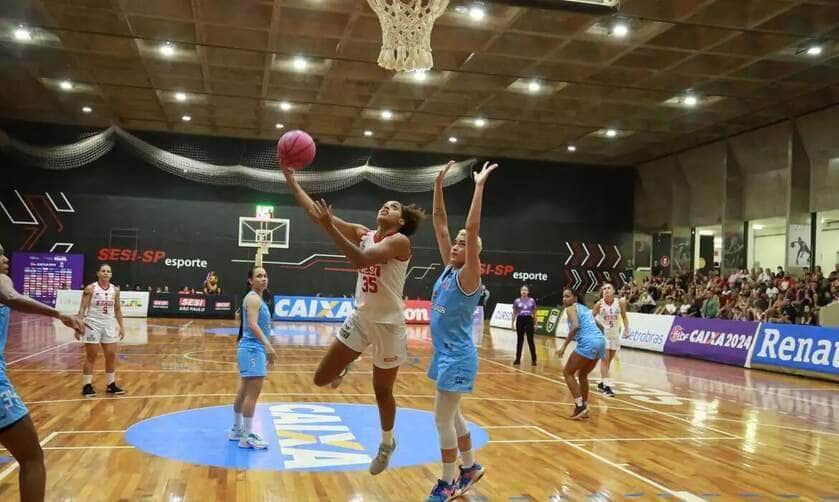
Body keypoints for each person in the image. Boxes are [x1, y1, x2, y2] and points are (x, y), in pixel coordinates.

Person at [283, 167, 425, 475]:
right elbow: (318, 213)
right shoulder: (364, 233)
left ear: (401, 221)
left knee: (382, 391)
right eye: (384, 204)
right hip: (361, 318)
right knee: (321, 379)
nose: (386, 207)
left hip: (389, 325)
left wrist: (328, 227)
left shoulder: (400, 242)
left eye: (393, 207)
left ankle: (386, 444)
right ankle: (347, 364)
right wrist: (291, 181)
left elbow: (361, 259)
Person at [424, 161, 495, 501]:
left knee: (441, 419)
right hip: (444, 354)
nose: (455, 245)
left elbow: (471, 225)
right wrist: (438, 186)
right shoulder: (449, 270)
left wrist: (478, 187)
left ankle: (447, 481)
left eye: (463, 244)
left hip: (458, 357)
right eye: (455, 243)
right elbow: (440, 224)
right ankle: (470, 467)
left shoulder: (469, 277)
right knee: (453, 416)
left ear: (474, 254)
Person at [0, 242, 85, 502]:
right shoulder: (1, 279)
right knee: (31, 457)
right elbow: (11, 297)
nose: (5, 259)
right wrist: (59, 313)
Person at [229, 267, 276, 449]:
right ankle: (247, 436)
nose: (263, 278)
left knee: (243, 391)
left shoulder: (257, 298)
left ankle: (237, 429)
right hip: (253, 350)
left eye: (265, 276)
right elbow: (252, 325)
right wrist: (268, 345)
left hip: (250, 349)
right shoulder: (253, 299)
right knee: (252, 395)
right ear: (250, 280)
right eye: (259, 276)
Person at [556, 289, 606, 419]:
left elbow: (575, 326)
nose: (564, 299)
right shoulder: (585, 309)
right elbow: (601, 327)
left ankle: (579, 406)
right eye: (563, 296)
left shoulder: (570, 308)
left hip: (588, 343)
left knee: (568, 372)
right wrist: (598, 340)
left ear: (575, 298)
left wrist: (564, 346)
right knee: (583, 375)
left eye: (567, 296)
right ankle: (585, 406)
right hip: (600, 341)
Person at [77, 264, 126, 397]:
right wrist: (78, 326)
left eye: (108, 271)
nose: (105, 273)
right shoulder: (90, 288)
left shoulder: (115, 290)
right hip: (93, 324)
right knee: (91, 355)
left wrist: (121, 326)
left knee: (111, 355)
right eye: (103, 271)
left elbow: (117, 309)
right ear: (98, 273)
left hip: (109, 324)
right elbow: (82, 308)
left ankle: (111, 384)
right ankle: (86, 385)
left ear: (111, 274)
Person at [592, 282, 627, 398]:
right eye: (604, 289)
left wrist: (627, 329)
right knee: (605, 360)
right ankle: (606, 387)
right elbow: (590, 318)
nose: (606, 290)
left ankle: (602, 383)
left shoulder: (620, 302)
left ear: (613, 291)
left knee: (609, 361)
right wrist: (596, 328)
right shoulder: (599, 304)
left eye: (609, 288)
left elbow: (624, 316)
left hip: (615, 335)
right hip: (603, 335)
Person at [512, 285, 537, 366]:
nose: (524, 291)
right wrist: (512, 323)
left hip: (529, 319)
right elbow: (514, 312)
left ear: (528, 292)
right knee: (520, 340)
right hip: (520, 319)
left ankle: (534, 359)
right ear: (520, 291)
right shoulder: (516, 301)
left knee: (530, 340)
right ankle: (517, 359)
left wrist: (536, 323)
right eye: (522, 290)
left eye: (525, 290)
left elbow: (535, 313)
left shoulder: (532, 300)